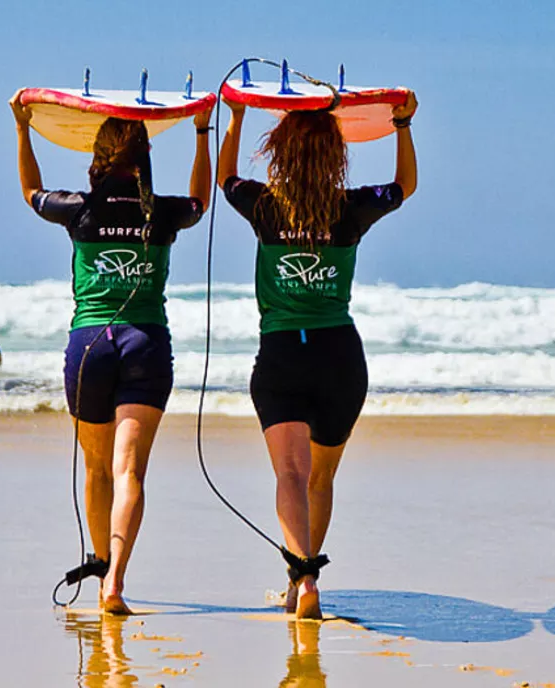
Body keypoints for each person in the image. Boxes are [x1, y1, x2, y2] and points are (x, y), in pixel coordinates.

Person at [10, 89, 212, 614]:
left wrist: (23, 127)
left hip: (89, 346)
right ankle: (114, 581)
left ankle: (101, 560)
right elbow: (202, 200)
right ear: (144, 159)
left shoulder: (79, 208)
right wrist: (199, 132)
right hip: (145, 343)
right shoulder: (162, 212)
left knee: (96, 470)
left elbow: (30, 191)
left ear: (97, 159)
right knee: (130, 473)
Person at [217, 92, 418, 619]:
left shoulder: (264, 205)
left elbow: (226, 178)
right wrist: (402, 124)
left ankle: (302, 579)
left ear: (282, 152)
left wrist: (235, 118)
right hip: (339, 358)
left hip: (281, 354)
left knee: (288, 475)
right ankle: (302, 580)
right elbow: (404, 187)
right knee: (319, 479)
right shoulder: (350, 207)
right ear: (336, 155)